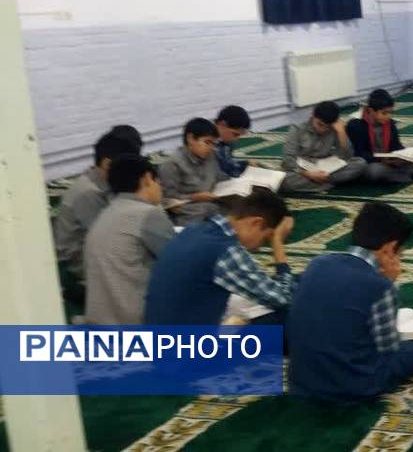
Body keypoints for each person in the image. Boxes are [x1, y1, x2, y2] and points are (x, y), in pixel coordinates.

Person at [288, 202, 413, 401]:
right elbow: (388, 350)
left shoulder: (317, 264)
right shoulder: (379, 286)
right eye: (400, 253)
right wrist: (388, 283)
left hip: (302, 381)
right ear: (390, 248)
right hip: (354, 385)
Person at [143, 189, 295, 325]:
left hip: (159, 335)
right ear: (256, 223)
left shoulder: (194, 229)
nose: (259, 247)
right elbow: (283, 298)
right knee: (284, 315)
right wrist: (277, 242)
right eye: (266, 238)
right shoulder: (226, 250)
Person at [83, 155, 175, 325]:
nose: (160, 188)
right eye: (158, 182)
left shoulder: (106, 213)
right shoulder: (148, 214)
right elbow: (181, 263)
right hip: (135, 324)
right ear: (147, 179)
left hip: (100, 322)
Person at [53, 131, 140, 275]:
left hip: (96, 254)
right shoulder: (89, 192)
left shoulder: (103, 183)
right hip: (77, 265)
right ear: (107, 164)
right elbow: (107, 240)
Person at [347, 89, 413, 184]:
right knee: (374, 171)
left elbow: (396, 146)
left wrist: (402, 157)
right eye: (384, 113)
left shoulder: (390, 123)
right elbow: (359, 154)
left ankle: (398, 174)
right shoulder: (356, 125)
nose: (388, 116)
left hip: (390, 161)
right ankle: (405, 173)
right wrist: (381, 159)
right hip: (373, 162)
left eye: (391, 113)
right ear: (371, 111)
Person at [280, 101, 369, 193]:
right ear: (313, 116)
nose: (323, 130)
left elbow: (347, 156)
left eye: (327, 127)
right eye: (320, 124)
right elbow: (288, 159)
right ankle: (330, 182)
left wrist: (342, 132)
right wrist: (308, 174)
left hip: (326, 166)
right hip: (303, 168)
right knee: (286, 182)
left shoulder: (335, 127)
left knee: (360, 163)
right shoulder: (297, 127)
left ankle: (318, 182)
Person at [159, 118, 230, 226]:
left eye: (213, 143)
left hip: (212, 202)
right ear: (190, 138)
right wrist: (194, 197)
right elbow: (168, 200)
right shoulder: (172, 164)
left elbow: (220, 178)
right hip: (189, 210)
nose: (211, 147)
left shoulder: (211, 156)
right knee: (206, 209)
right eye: (207, 142)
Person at [214, 105, 252, 178]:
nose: (237, 139)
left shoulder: (227, 142)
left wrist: (248, 164)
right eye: (235, 134)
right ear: (222, 124)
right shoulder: (207, 146)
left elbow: (232, 162)